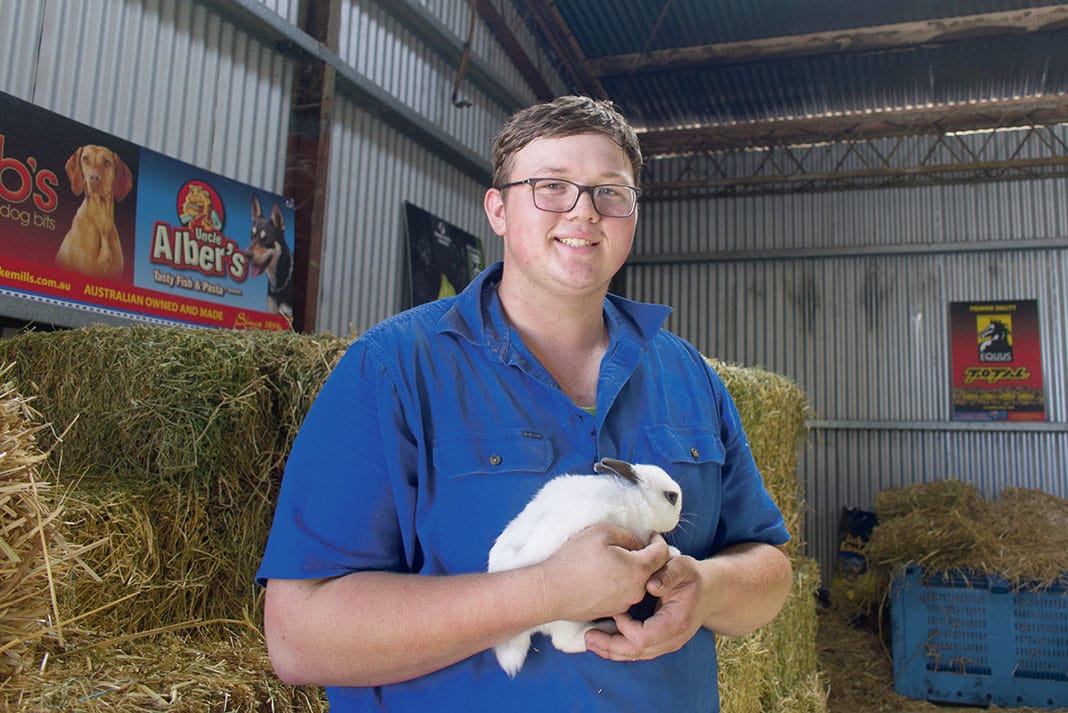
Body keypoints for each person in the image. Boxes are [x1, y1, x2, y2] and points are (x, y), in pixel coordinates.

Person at [256, 95, 793, 712]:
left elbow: (768, 568)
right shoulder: (393, 369)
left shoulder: (688, 376)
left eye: (610, 192)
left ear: (632, 214)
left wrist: (707, 588)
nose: (583, 211)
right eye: (551, 186)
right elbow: (298, 636)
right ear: (499, 210)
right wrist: (545, 592)